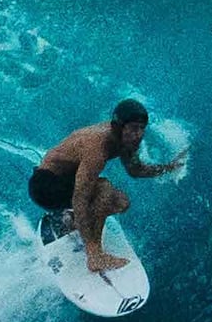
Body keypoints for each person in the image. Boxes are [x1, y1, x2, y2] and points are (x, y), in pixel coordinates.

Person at [28, 99, 175, 275]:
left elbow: (135, 170)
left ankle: (71, 221)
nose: (139, 134)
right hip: (44, 187)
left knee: (121, 202)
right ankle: (95, 256)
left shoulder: (126, 139)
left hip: (66, 181)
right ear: (118, 127)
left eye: (142, 128)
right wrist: (90, 244)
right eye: (134, 128)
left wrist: (167, 168)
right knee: (104, 189)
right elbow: (80, 199)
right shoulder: (96, 148)